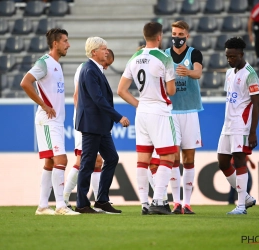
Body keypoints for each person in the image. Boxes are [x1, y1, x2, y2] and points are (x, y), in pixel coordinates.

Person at [117, 21, 177, 215]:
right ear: (159, 37)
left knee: (143, 160)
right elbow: (171, 90)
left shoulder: (134, 58)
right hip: (159, 110)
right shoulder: (164, 57)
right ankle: (159, 200)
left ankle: (144, 204)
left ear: (145, 36)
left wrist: (139, 104)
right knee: (168, 155)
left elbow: (121, 90)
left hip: (142, 112)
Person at [20, 28, 79, 215]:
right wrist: (44, 105)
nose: (68, 45)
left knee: (49, 162)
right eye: (65, 41)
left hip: (56, 121)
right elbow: (25, 82)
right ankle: (61, 205)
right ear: (55, 43)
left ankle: (43, 206)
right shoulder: (44, 62)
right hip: (48, 120)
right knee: (61, 159)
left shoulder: (56, 65)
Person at [148, 20, 203, 215]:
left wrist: (187, 72)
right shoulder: (164, 56)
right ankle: (176, 202)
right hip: (171, 112)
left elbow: (198, 73)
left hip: (190, 111)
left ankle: (187, 203)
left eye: (180, 34)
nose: (177, 38)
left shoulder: (194, 53)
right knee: (173, 158)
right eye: (174, 34)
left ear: (187, 36)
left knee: (189, 158)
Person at [74, 37, 130, 214]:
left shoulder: (94, 69)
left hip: (100, 125)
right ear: (94, 52)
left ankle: (102, 200)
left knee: (112, 158)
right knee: (88, 163)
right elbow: (98, 99)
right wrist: (118, 117)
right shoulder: (89, 70)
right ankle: (82, 204)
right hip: (92, 125)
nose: (107, 51)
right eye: (104, 49)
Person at [63, 49, 115, 208]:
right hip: (86, 120)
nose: (106, 67)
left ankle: (99, 201)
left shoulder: (96, 70)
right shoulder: (85, 69)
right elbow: (77, 95)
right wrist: (84, 118)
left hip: (95, 120)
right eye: (107, 63)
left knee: (98, 162)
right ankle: (63, 199)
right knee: (83, 160)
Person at [218, 37, 259, 215]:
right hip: (227, 124)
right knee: (222, 162)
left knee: (240, 159)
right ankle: (246, 197)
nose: (230, 60)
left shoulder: (250, 74)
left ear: (242, 54)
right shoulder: (229, 73)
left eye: (233, 56)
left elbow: (257, 104)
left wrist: (253, 132)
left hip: (241, 124)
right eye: (227, 56)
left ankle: (241, 205)